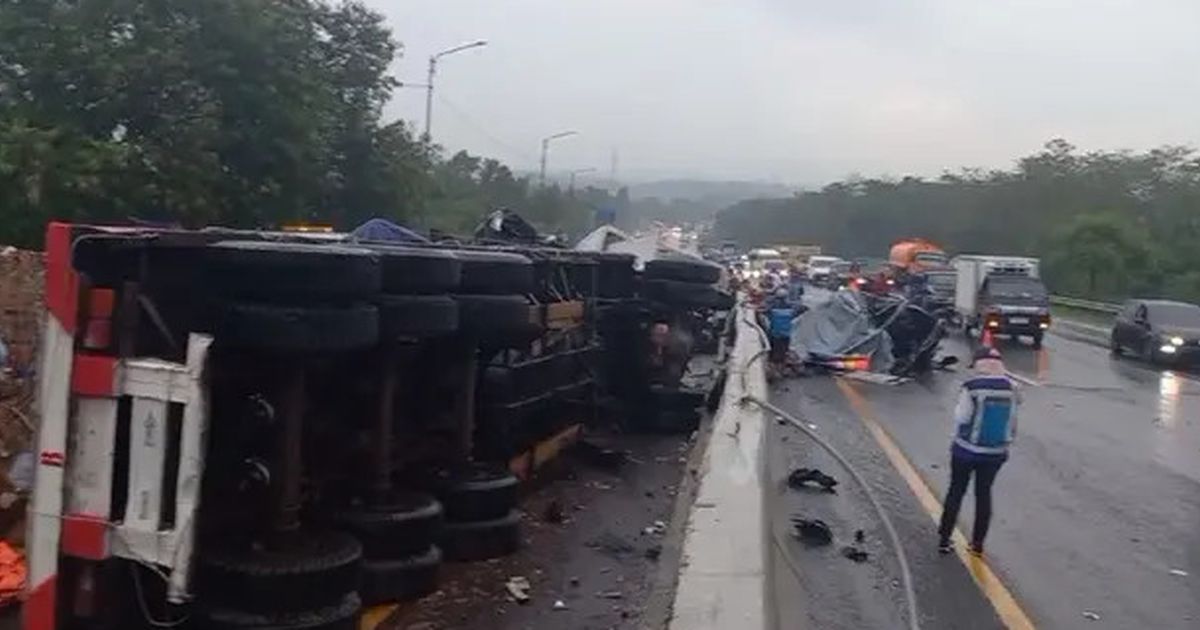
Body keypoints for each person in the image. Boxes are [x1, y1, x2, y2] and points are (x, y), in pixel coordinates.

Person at [937, 346, 1018, 556]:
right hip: (995, 453)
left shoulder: (972, 387)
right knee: (984, 494)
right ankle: (977, 544)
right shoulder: (1013, 387)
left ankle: (944, 540)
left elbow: (962, 417)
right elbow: (1013, 418)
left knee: (956, 491)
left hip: (966, 451)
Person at [766, 289, 795, 367]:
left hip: (776, 333)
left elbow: (766, 312)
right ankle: (782, 363)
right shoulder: (790, 307)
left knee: (775, 351)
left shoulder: (773, 307)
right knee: (784, 350)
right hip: (786, 333)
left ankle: (775, 365)